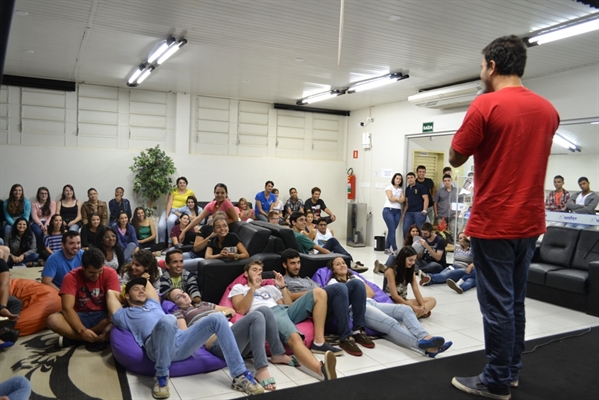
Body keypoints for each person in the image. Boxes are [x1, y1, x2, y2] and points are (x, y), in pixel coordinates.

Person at [449, 35, 560, 399]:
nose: (481, 71)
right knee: (514, 302)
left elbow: (454, 157)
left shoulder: (485, 105)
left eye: (482, 66)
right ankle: (510, 371)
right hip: (530, 223)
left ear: (492, 66)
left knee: (496, 305)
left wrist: (473, 114)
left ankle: (495, 381)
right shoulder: (548, 110)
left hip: (495, 221)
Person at [108, 278, 264, 398]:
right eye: (136, 290)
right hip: (156, 346)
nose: (142, 291)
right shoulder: (124, 315)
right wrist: (124, 294)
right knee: (169, 320)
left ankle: (239, 375)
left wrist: (137, 287)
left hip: (181, 341)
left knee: (218, 318)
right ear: (127, 295)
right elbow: (110, 293)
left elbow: (147, 284)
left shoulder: (154, 303)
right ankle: (161, 377)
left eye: (143, 290)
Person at [163, 287, 293, 391]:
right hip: (217, 342)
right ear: (174, 303)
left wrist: (219, 316)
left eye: (183, 292)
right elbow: (186, 335)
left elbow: (230, 311)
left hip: (234, 335)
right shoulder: (180, 313)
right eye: (178, 296)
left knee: (264, 310)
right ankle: (261, 368)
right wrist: (208, 322)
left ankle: (277, 353)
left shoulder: (203, 304)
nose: (184, 295)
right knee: (256, 316)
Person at [230, 260, 338, 381]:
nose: (258, 274)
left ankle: (318, 342)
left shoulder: (270, 287)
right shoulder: (239, 288)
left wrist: (282, 287)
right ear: (245, 274)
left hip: (284, 310)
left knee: (320, 292)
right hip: (269, 313)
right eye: (254, 270)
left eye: (260, 271)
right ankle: (321, 369)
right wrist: (253, 289)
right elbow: (240, 310)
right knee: (294, 337)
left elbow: (287, 304)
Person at [326, 256, 452, 357]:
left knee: (405, 309)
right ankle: (424, 345)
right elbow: (342, 301)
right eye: (338, 264)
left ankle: (426, 337)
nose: (342, 265)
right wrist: (357, 293)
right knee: (391, 322)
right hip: (357, 309)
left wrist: (357, 291)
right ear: (333, 270)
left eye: (343, 263)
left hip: (372, 302)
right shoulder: (334, 283)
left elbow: (371, 293)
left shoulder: (354, 277)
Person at [282, 249, 372, 356]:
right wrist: (312, 293)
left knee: (357, 283)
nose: (297, 266)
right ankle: (345, 337)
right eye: (292, 263)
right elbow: (288, 298)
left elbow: (321, 292)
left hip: (322, 305)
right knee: (339, 287)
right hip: (308, 309)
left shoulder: (307, 279)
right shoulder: (283, 281)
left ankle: (358, 330)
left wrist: (318, 292)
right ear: (284, 265)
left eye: (298, 262)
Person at [46, 247, 120, 351]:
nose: (96, 275)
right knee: (52, 321)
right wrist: (83, 331)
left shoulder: (110, 273)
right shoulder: (71, 277)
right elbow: (67, 309)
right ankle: (94, 338)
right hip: (79, 316)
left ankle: (74, 339)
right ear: (83, 267)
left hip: (103, 316)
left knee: (122, 318)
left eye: (100, 271)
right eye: (92, 272)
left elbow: (114, 304)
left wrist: (112, 323)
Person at [384, 246, 436, 318]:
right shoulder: (391, 271)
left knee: (432, 300)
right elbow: (394, 296)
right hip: (392, 303)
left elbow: (416, 291)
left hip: (404, 301)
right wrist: (413, 307)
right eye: (410, 260)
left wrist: (423, 306)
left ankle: (416, 314)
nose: (413, 263)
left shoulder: (410, 271)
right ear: (403, 259)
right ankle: (416, 314)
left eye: (414, 260)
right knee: (408, 306)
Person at [158, 177, 195, 244]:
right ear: (177, 184)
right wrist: (166, 215)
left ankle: (170, 241)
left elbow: (194, 202)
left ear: (186, 184)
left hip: (180, 211)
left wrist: (193, 213)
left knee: (170, 221)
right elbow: (169, 203)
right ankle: (161, 243)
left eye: (184, 183)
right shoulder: (173, 191)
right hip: (170, 209)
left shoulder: (190, 192)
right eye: (180, 183)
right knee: (161, 226)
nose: (182, 184)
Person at [1, 258, 23, 349]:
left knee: (15, 303)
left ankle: (5, 329)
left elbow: (4, 285)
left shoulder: (1, 263)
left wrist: (2, 307)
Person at [382, 173, 405, 255]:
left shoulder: (400, 189)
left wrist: (396, 199)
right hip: (388, 210)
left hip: (397, 211)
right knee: (392, 230)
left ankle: (387, 248)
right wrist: (398, 199)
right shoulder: (389, 187)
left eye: (400, 179)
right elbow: (390, 199)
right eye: (397, 178)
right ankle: (395, 249)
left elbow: (403, 200)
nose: (398, 180)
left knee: (392, 230)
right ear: (394, 179)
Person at [401, 172, 429, 239]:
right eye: (408, 178)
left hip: (419, 212)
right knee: (406, 230)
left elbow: (426, 199)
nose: (410, 179)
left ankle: (421, 247)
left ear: (415, 178)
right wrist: (404, 214)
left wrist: (424, 210)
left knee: (420, 231)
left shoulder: (421, 187)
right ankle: (407, 246)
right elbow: (407, 203)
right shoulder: (407, 189)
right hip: (409, 213)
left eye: (411, 177)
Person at [434, 174, 458, 240]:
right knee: (442, 233)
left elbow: (460, 202)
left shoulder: (456, 191)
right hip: (442, 216)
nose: (447, 182)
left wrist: (458, 213)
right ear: (443, 182)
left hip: (453, 215)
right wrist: (436, 214)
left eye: (448, 180)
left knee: (453, 233)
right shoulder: (439, 191)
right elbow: (435, 203)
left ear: (451, 181)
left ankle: (452, 247)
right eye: (445, 181)